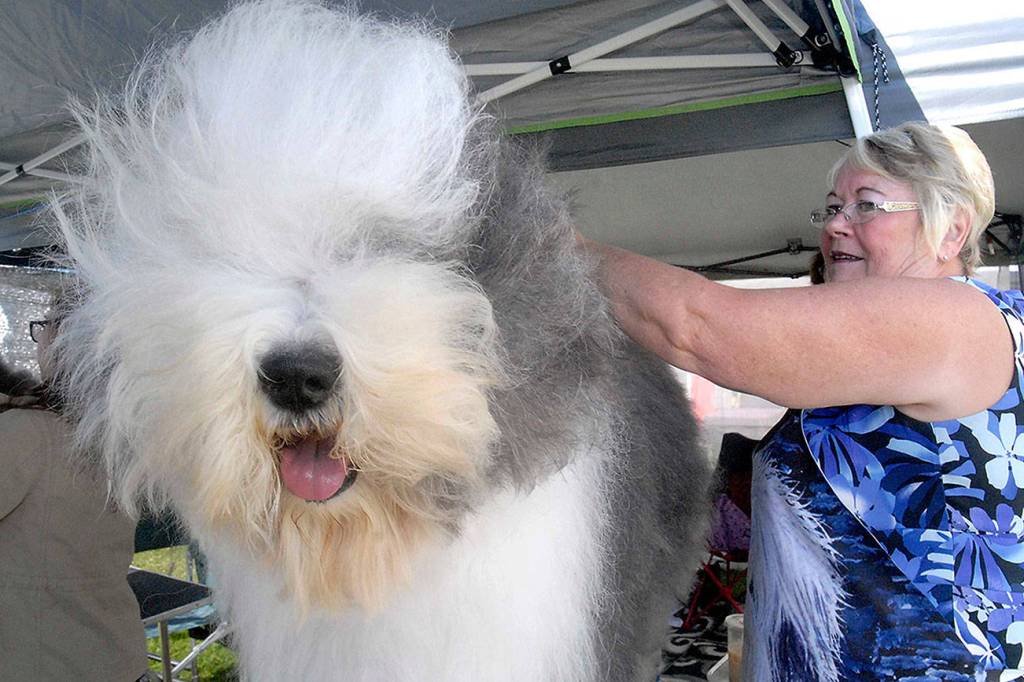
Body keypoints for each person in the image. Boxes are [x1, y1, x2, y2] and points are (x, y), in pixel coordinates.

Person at [582, 121, 1023, 681]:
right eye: (833, 208)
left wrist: (553, 246)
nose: (836, 225)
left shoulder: (955, 320)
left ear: (950, 231)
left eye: (867, 206)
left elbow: (700, 329)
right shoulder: (893, 349)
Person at [0, 309, 148, 681]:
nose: (38, 338)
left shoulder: (27, 433)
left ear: (66, 339)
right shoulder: (121, 438)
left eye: (44, 326)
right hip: (114, 654)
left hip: (44, 658)